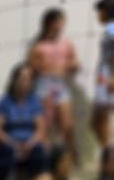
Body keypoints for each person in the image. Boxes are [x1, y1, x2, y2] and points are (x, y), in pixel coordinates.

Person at [0, 65, 47, 180]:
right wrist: (14, 144)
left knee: (39, 154)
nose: (24, 82)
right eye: (22, 78)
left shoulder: (35, 102)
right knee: (4, 153)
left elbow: (41, 129)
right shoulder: (5, 102)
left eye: (28, 79)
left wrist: (29, 144)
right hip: (9, 143)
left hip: (30, 144)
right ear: (14, 80)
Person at [28, 8, 80, 150]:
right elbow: (31, 67)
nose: (61, 26)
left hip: (61, 84)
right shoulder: (38, 45)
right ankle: (45, 155)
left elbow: (75, 63)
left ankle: (64, 155)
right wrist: (43, 68)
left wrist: (67, 66)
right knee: (45, 124)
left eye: (62, 23)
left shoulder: (67, 43)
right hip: (44, 84)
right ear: (49, 23)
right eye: (58, 23)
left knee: (67, 124)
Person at [92, 0, 114, 148]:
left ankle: (109, 152)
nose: (98, 15)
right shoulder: (109, 28)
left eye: (100, 11)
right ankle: (108, 151)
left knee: (100, 119)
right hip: (104, 76)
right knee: (97, 120)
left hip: (108, 78)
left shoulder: (112, 28)